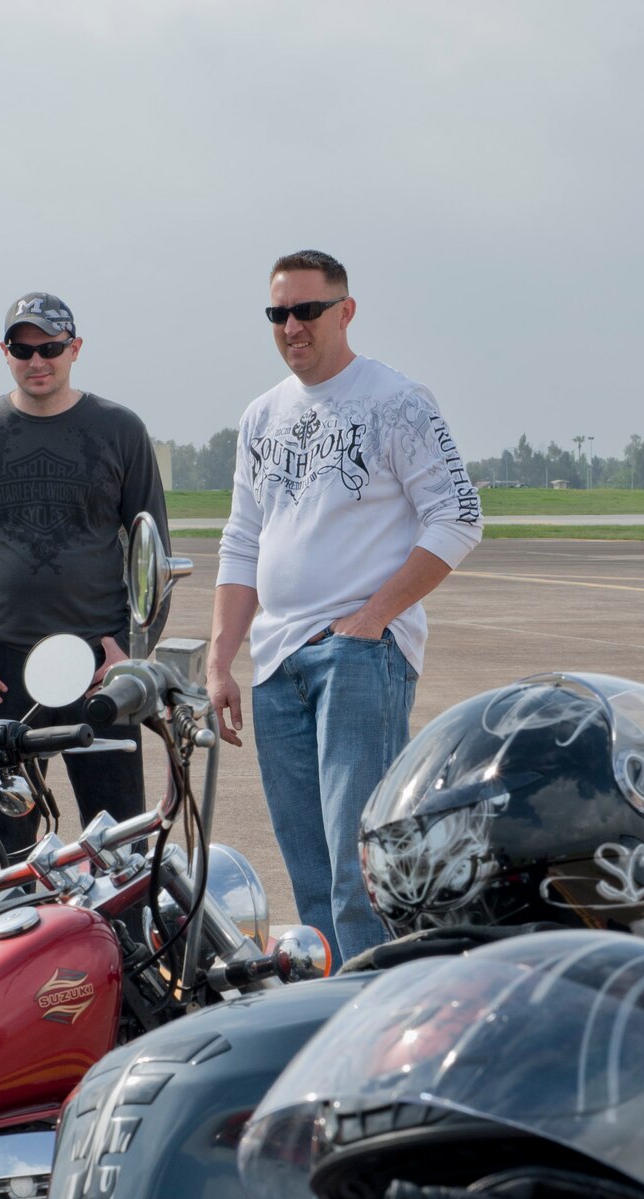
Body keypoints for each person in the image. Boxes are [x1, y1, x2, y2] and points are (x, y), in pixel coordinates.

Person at [206, 250, 483, 966]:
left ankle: (374, 1013)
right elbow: (242, 539)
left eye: (307, 310)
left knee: (358, 870)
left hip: (357, 658)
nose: (292, 326)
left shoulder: (396, 400)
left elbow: (457, 516)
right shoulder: (260, 416)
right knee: (307, 872)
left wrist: (373, 618)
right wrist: (218, 660)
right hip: (276, 665)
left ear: (345, 311)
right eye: (278, 314)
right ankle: (327, 1014)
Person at [0, 292, 170, 852]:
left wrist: (134, 651)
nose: (38, 361)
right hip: (1, 666)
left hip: (100, 664)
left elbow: (153, 554)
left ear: (75, 349)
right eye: (23, 348)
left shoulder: (120, 430)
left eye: (51, 348)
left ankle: (120, 939)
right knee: (3, 844)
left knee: (116, 842)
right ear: (4, 352)